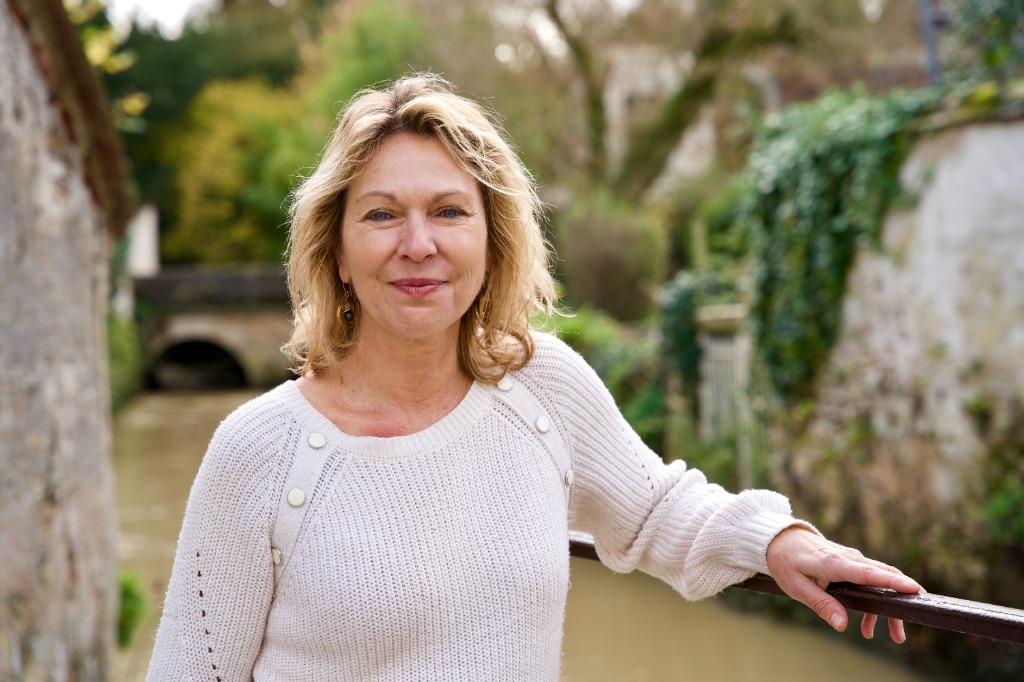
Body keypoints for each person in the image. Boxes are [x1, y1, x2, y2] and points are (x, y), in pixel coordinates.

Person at [146, 74, 923, 680]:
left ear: (492, 241)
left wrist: (778, 539)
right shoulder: (260, 451)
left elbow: (657, 511)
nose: (418, 244)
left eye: (450, 212)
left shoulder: (542, 387)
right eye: (382, 215)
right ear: (337, 253)